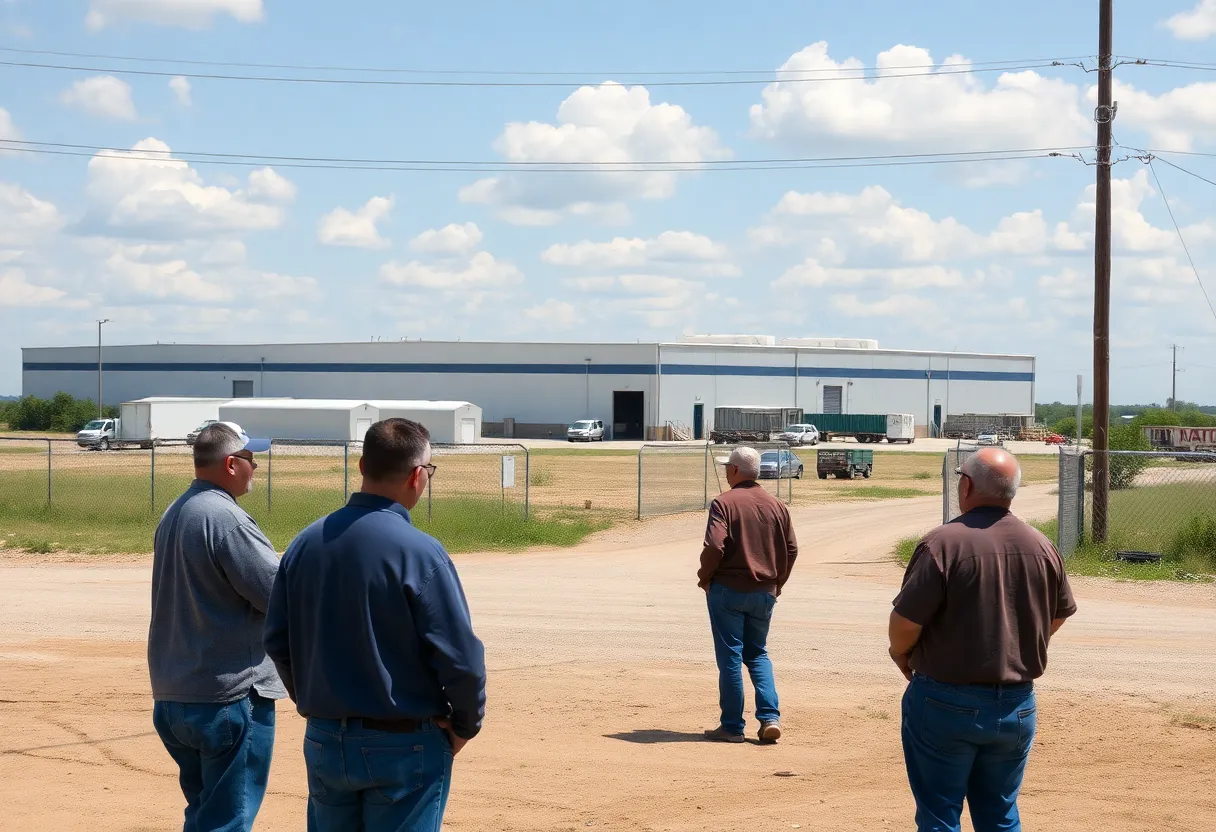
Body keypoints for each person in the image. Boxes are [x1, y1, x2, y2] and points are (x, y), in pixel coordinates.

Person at [265, 417, 486, 832]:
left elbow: (277, 640)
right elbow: (461, 658)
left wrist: (318, 701)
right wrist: (464, 725)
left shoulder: (305, 544)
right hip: (404, 744)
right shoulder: (420, 552)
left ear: (363, 466)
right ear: (417, 476)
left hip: (326, 739)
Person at [889, 447, 1077, 832]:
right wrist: (1018, 643)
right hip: (1017, 705)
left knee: (939, 814)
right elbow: (1058, 614)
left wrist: (901, 654)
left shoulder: (942, 544)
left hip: (945, 702)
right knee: (999, 813)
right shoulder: (1042, 545)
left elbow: (905, 622)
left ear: (967, 485)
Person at [148, 421, 284, 832]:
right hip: (227, 696)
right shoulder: (226, 518)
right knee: (226, 820)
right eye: (251, 459)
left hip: (176, 694)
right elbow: (278, 596)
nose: (255, 467)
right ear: (230, 464)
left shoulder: (176, 511)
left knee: (205, 814)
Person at [697, 447, 799, 744]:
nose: (726, 472)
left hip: (728, 590)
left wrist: (705, 578)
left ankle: (732, 726)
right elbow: (792, 549)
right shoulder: (777, 505)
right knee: (757, 653)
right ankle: (770, 718)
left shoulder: (723, 503)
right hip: (765, 591)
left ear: (735, 471)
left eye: (727, 467)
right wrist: (778, 583)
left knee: (730, 655)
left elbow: (714, 546)